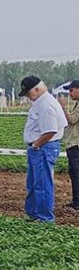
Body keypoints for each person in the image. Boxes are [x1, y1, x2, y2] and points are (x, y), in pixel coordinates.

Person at [21, 76, 68, 222]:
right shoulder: (41, 102)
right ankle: (33, 213)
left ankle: (44, 218)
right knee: (34, 183)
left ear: (37, 89)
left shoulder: (46, 105)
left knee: (42, 183)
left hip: (43, 148)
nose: (28, 97)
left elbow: (50, 130)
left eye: (28, 93)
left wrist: (36, 144)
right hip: (41, 147)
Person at [62, 80, 79, 211]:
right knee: (74, 173)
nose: (70, 93)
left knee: (76, 173)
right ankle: (75, 200)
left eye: (72, 90)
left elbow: (71, 119)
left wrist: (62, 108)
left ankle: (77, 202)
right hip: (73, 143)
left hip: (75, 143)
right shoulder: (76, 104)